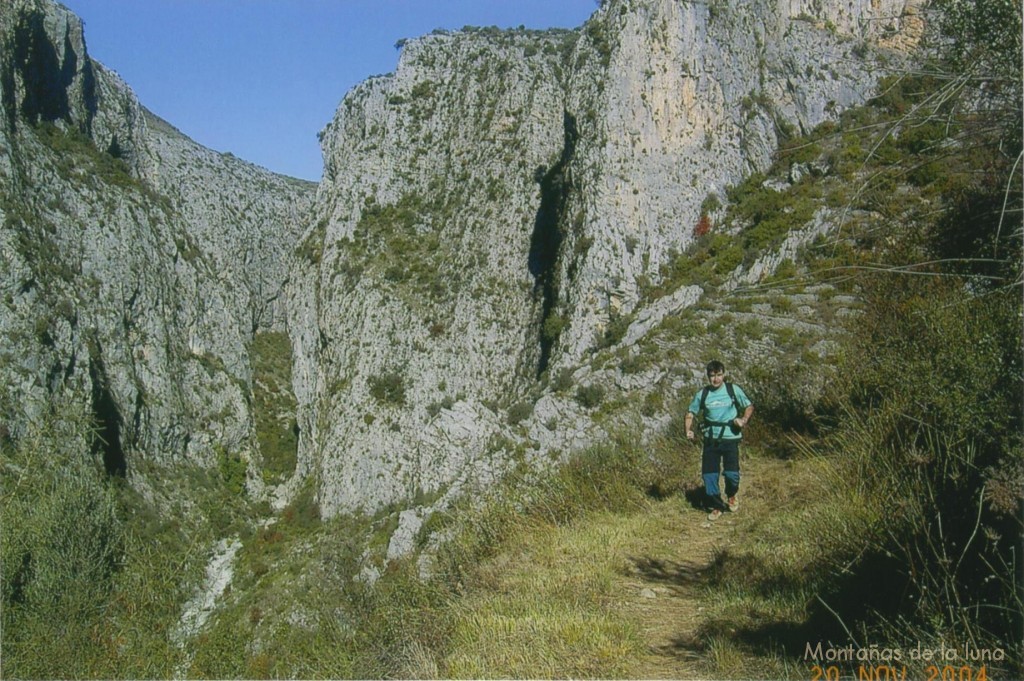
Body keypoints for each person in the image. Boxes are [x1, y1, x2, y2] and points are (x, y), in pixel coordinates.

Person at [685, 360, 754, 521]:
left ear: (724, 374)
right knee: (709, 475)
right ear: (708, 377)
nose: (716, 379)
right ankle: (717, 506)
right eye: (712, 376)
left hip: (730, 438)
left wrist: (743, 420)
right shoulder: (702, 395)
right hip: (710, 440)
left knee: (732, 474)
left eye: (719, 375)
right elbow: (690, 413)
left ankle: (731, 495)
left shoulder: (732, 390)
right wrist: (688, 429)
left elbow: (749, 406)